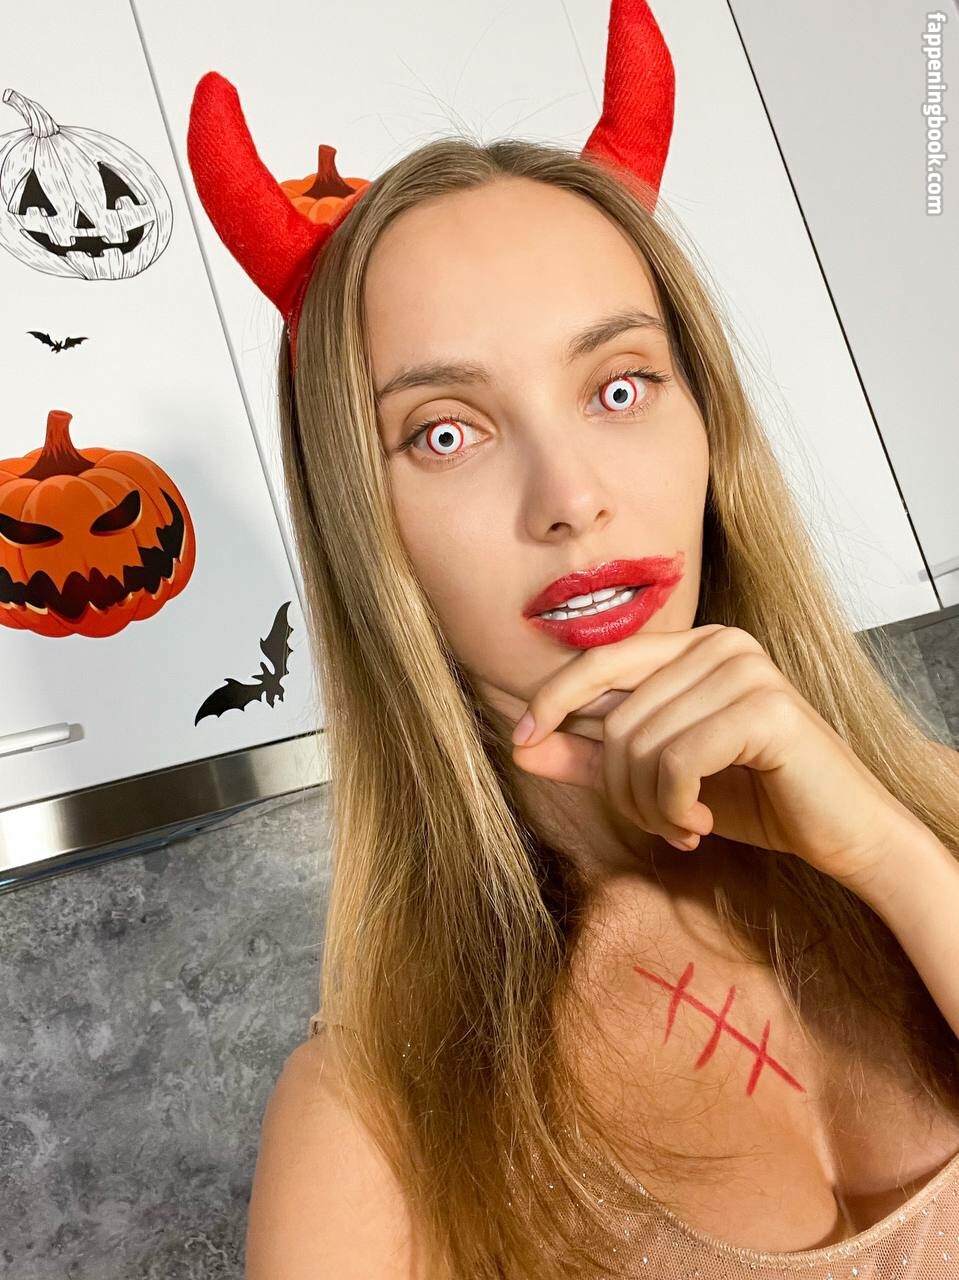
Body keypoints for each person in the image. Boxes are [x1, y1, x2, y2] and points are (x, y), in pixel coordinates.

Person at [187, 3, 959, 1276]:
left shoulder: (932, 820)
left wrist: (888, 856)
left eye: (617, 385)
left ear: (706, 421)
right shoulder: (370, 1127)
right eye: (445, 430)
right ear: (361, 525)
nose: (569, 497)